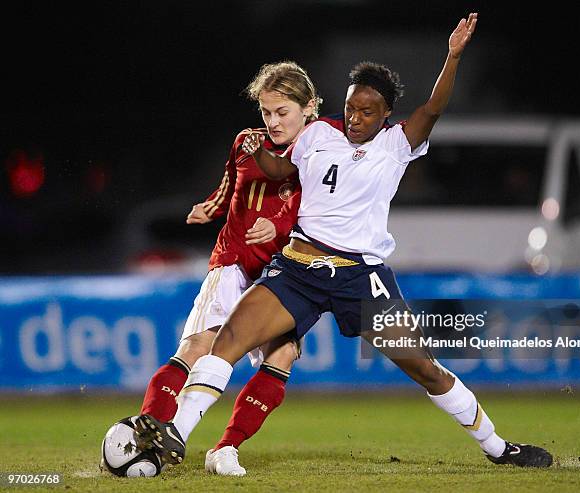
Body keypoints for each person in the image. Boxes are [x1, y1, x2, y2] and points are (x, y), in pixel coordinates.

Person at [137, 13, 553, 469]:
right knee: (230, 339)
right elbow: (281, 171)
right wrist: (259, 154)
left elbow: (433, 107)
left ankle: (498, 448)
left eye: (367, 111)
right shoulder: (318, 134)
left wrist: (452, 57)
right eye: (352, 107)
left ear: (386, 114)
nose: (355, 117)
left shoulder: (396, 145)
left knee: (425, 368)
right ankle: (177, 433)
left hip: (361, 276)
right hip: (298, 268)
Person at [135, 61, 322, 476]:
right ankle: (148, 427)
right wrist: (211, 208)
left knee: (283, 355)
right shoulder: (246, 143)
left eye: (281, 112)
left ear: (308, 107)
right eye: (266, 112)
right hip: (234, 261)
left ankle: (224, 448)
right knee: (200, 346)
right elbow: (229, 185)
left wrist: (280, 223)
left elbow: (325, 209)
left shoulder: (323, 151)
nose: (272, 122)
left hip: (281, 271)